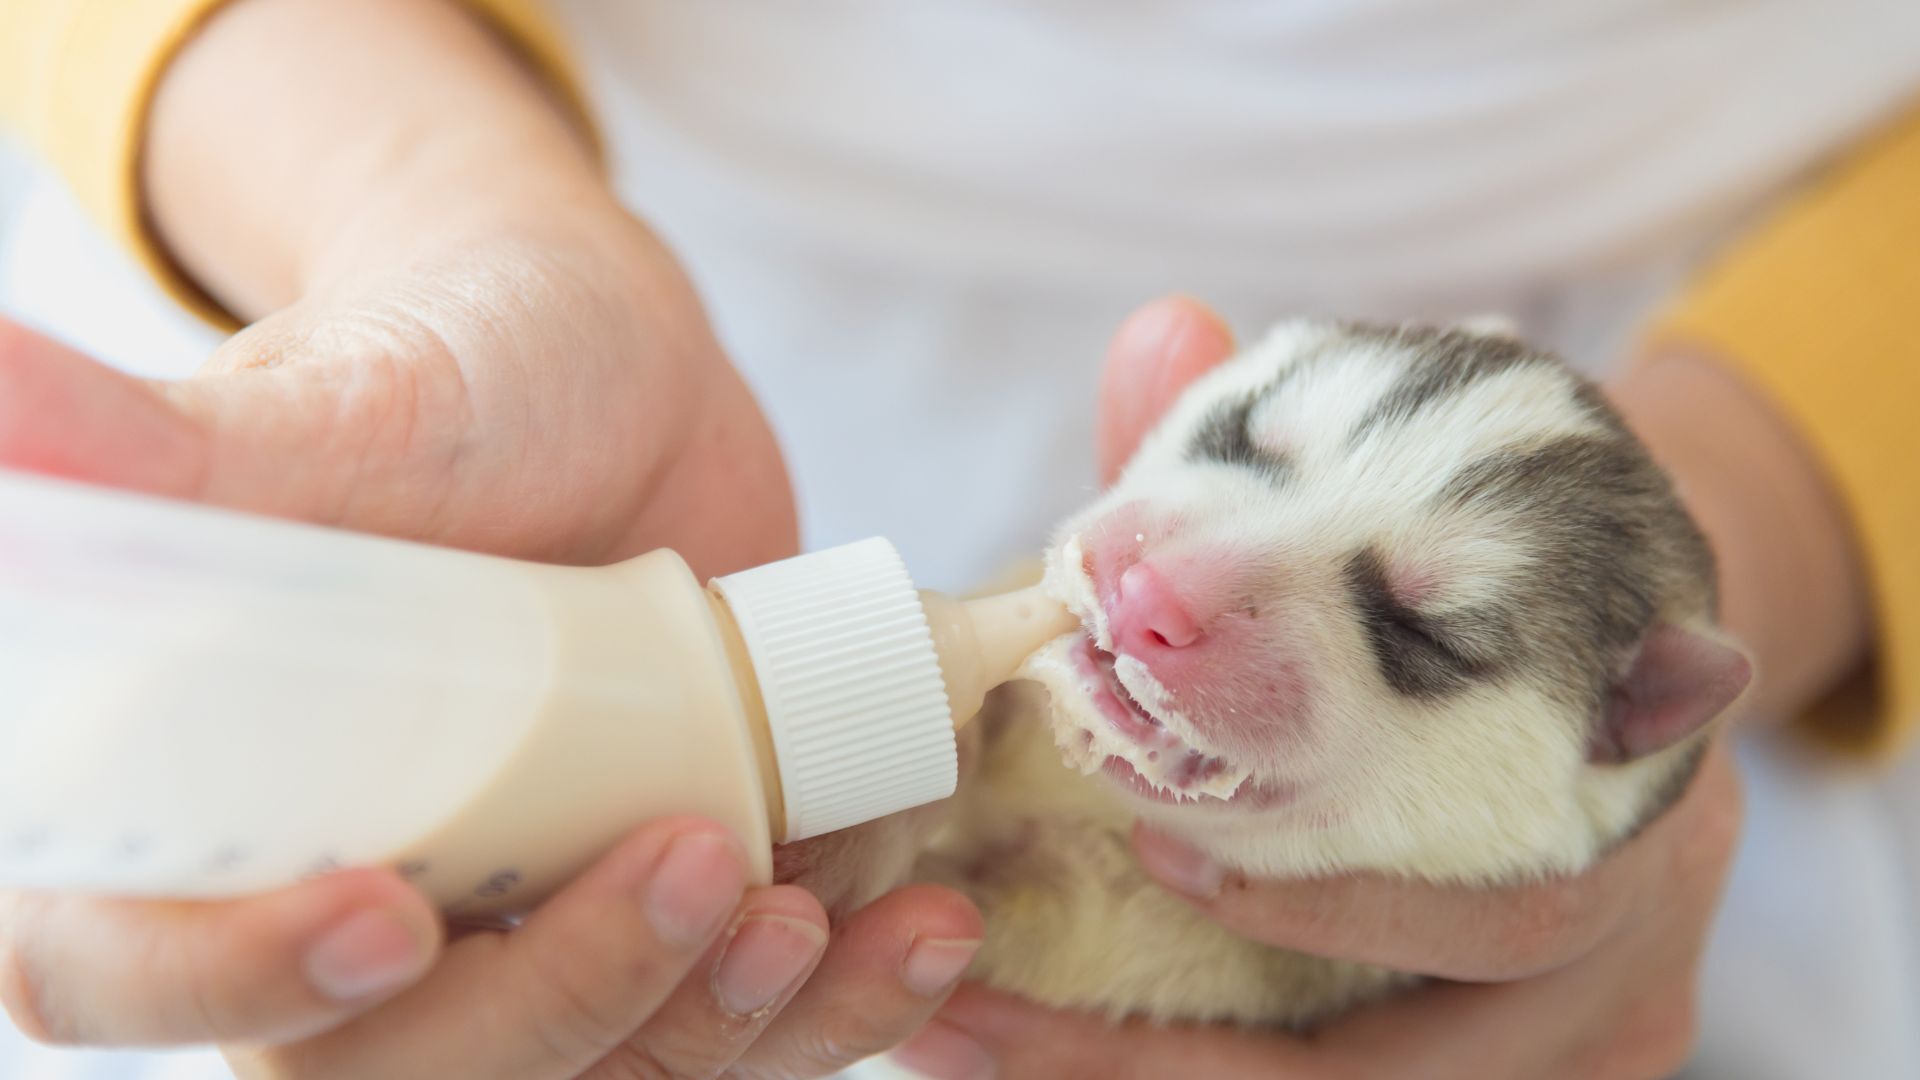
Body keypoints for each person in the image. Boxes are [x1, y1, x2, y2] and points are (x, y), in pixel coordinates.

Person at [0, 0, 1914, 1076]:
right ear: (1228, 376)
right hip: (544, 267)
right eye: (1236, 442)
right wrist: (433, 207)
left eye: (1416, 635)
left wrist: (1760, 503)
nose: (1174, 593)